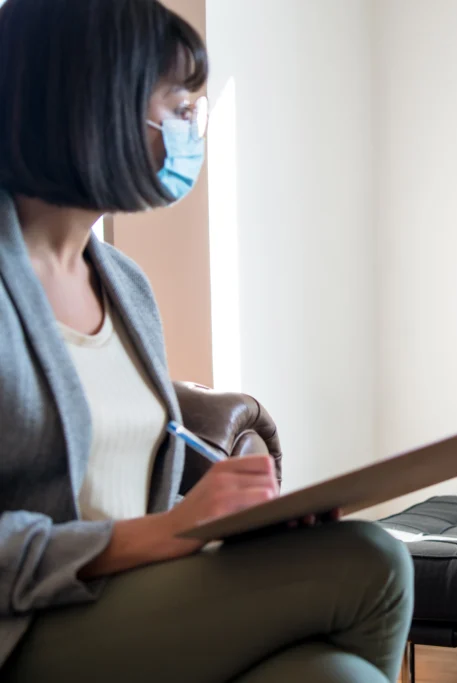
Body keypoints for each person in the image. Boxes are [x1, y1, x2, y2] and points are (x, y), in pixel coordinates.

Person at [0, 1, 412, 682]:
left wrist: (234, 521)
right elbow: (131, 526)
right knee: (374, 562)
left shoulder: (125, 287)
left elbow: (128, 483)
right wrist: (167, 532)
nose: (193, 125)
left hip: (129, 608)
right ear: (98, 101)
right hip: (29, 628)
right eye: (179, 102)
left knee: (338, 675)